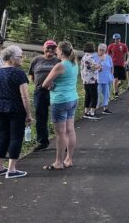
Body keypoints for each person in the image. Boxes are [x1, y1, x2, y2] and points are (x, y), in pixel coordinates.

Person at [0, 45, 32, 178]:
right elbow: (24, 96)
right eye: (20, 56)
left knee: (4, 136)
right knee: (16, 137)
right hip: (16, 109)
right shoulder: (19, 73)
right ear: (12, 58)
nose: (21, 59)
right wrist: (29, 114)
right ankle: (12, 170)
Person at [41, 41, 79, 170]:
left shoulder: (60, 65)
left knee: (61, 133)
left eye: (57, 50)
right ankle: (69, 159)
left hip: (60, 100)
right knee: (70, 130)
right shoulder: (74, 64)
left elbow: (45, 84)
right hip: (73, 98)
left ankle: (58, 162)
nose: (55, 51)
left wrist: (52, 85)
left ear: (61, 52)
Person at [27, 40, 60, 151]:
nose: (50, 50)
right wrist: (38, 84)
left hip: (55, 91)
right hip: (40, 92)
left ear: (56, 49)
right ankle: (42, 142)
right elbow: (31, 75)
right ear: (43, 48)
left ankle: (62, 141)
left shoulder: (58, 61)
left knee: (59, 117)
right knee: (41, 116)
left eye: (53, 48)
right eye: (48, 47)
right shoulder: (37, 60)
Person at [80, 42, 101, 120]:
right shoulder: (90, 57)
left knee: (88, 95)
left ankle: (86, 112)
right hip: (92, 79)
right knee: (94, 96)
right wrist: (99, 65)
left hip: (85, 79)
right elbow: (93, 67)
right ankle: (92, 113)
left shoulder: (84, 57)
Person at [94, 44, 114, 115]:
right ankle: (95, 108)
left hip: (107, 78)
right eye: (100, 50)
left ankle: (105, 108)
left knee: (106, 93)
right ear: (98, 49)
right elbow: (92, 67)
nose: (101, 51)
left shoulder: (108, 57)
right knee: (97, 93)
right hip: (97, 79)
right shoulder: (94, 56)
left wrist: (111, 76)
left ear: (105, 50)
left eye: (103, 50)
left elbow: (111, 67)